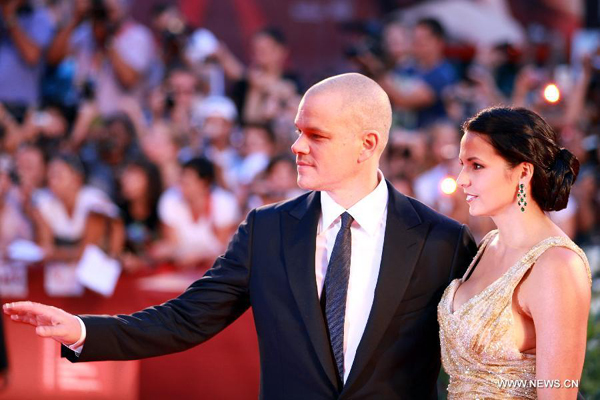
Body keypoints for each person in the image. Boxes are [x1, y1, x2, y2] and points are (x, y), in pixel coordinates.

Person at [4, 73, 476, 399]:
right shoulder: (266, 232)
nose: (296, 146)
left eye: (316, 135)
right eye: (297, 131)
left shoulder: (443, 242)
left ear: (367, 144)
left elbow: (474, 365)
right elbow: (184, 320)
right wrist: (84, 330)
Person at [438, 107, 592, 399]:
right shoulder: (488, 244)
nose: (461, 179)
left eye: (477, 166)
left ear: (523, 172)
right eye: (462, 165)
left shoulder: (557, 264)